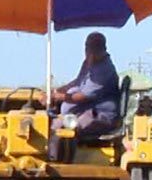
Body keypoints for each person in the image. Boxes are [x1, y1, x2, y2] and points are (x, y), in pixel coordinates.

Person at [47, 31, 120, 162]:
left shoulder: (105, 70)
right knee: (53, 123)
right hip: (83, 111)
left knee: (66, 127)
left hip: (100, 115)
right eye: (87, 47)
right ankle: (51, 156)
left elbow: (82, 97)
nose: (88, 51)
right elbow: (76, 82)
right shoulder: (89, 63)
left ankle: (60, 162)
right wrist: (53, 92)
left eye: (92, 47)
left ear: (102, 48)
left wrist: (60, 97)